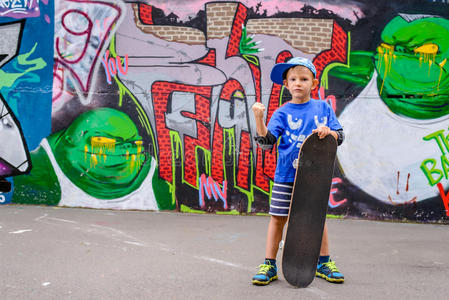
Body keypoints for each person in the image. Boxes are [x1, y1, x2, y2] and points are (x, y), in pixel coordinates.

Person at [251, 57, 345, 285]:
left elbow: (340, 135)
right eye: (293, 79)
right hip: (286, 176)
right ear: (286, 84)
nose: (298, 83)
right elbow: (266, 142)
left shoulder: (323, 108)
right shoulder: (282, 113)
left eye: (304, 79)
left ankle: (323, 263)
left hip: (314, 178)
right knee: (278, 219)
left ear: (314, 84)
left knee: (316, 220)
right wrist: (259, 118)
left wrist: (328, 132)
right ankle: (269, 264)